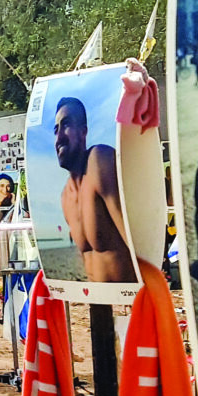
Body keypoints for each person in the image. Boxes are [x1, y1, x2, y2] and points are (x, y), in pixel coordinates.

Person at [52, 96, 136, 283]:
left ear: (83, 132)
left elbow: (132, 235)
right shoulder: (66, 196)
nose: (59, 137)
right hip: (97, 301)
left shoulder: (98, 160)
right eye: (55, 129)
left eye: (66, 125)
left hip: (131, 300)